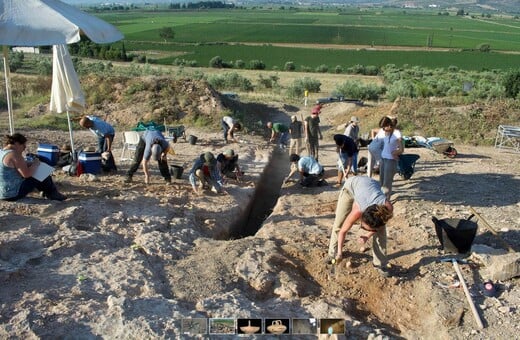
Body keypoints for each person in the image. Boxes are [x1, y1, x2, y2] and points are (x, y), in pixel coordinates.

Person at [327, 176, 393, 276]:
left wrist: (367, 235)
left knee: (381, 232)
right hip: (351, 187)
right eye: (363, 227)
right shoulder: (358, 210)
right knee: (339, 224)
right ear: (361, 217)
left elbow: (379, 226)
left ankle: (380, 264)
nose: (362, 229)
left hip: (370, 186)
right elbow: (343, 231)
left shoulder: (387, 208)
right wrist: (340, 253)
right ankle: (333, 254)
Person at [0, 133, 66, 201]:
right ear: (17, 144)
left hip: (2, 192)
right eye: (24, 147)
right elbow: (26, 174)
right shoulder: (14, 154)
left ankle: (47, 192)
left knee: (37, 171)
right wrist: (35, 164)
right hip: (12, 194)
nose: (23, 150)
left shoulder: (2, 152)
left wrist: (29, 164)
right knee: (42, 171)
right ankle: (52, 194)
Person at [379, 116, 403, 199]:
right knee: (381, 180)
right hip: (383, 158)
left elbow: (401, 149)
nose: (383, 130)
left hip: (390, 160)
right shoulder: (387, 133)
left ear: (389, 125)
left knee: (387, 182)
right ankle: (381, 198)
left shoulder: (397, 133)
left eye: (384, 127)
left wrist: (394, 153)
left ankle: (386, 200)